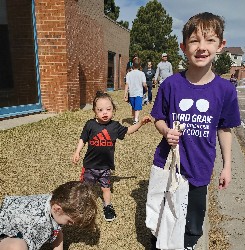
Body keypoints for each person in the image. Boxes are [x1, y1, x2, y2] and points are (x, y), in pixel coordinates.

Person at [148, 12, 241, 250]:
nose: (201, 47)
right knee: (163, 209)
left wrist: (228, 167)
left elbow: (225, 129)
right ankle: (160, 240)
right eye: (194, 41)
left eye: (209, 40)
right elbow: (158, 117)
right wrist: (165, 131)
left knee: (194, 217)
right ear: (183, 46)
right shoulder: (171, 85)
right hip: (169, 165)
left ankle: (188, 243)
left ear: (221, 45)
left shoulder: (225, 90)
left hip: (201, 167)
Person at [72, 91, 151, 222]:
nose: (105, 112)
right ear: (94, 111)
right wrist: (77, 152)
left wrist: (140, 123)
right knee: (86, 188)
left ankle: (108, 206)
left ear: (113, 110)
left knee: (106, 188)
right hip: (89, 166)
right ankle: (83, 205)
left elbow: (128, 131)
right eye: (100, 110)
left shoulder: (115, 126)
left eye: (108, 109)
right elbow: (83, 139)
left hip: (105, 167)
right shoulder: (90, 124)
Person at [0, 181, 97, 250]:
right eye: (69, 221)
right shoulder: (36, 219)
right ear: (57, 209)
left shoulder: (55, 204)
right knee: (17, 246)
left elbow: (57, 233)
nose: (70, 224)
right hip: (5, 234)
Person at [124, 58, 147, 124]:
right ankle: (135, 119)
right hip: (139, 93)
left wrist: (125, 94)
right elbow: (144, 84)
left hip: (131, 93)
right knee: (137, 107)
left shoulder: (129, 74)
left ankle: (134, 118)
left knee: (134, 106)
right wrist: (146, 88)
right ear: (140, 66)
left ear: (132, 65)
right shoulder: (142, 74)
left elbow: (127, 84)